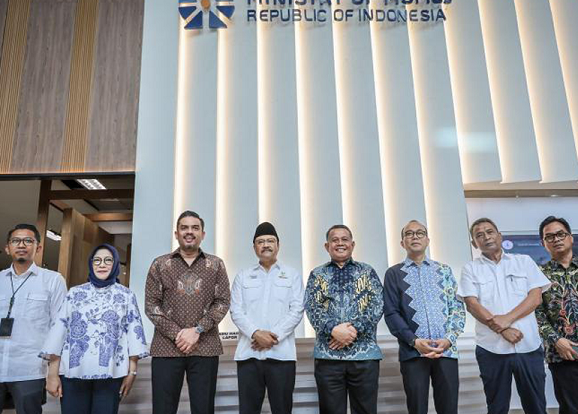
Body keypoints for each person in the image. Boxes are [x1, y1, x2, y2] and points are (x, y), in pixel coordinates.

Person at [39, 244, 148, 414]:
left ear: (115, 264)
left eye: (108, 260)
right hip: (73, 373)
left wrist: (132, 373)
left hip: (111, 374)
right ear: (91, 264)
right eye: (97, 260)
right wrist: (52, 374)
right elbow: (58, 334)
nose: (102, 264)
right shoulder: (74, 293)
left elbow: (134, 337)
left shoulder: (126, 295)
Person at [458, 217, 550, 414]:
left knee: (536, 407)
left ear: (500, 236)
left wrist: (506, 320)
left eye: (490, 232)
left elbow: (535, 298)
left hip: (528, 346)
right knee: (497, 408)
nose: (486, 237)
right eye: (479, 235)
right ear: (474, 243)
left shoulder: (524, 262)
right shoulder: (470, 269)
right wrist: (503, 330)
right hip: (491, 349)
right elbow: (472, 305)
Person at [145, 210, 231, 414]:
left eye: (195, 228)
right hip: (166, 348)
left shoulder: (216, 265)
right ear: (176, 234)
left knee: (203, 408)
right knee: (163, 409)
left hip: (205, 347)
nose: (189, 232)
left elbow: (223, 302)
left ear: (203, 234)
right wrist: (179, 334)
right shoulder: (160, 264)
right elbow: (151, 305)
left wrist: (197, 330)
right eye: (184, 228)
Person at [383, 220, 465, 414]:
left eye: (420, 233)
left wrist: (448, 340)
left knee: (449, 409)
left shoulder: (444, 270)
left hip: (446, 352)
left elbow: (457, 308)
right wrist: (414, 341)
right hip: (413, 353)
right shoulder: (394, 274)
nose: (415, 237)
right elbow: (391, 313)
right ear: (402, 243)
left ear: (427, 240)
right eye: (409, 234)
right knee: (417, 408)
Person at [304, 224, 384, 414]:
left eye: (344, 239)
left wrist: (352, 331)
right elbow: (312, 307)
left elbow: (377, 304)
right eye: (335, 240)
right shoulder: (317, 274)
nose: (340, 243)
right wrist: (333, 330)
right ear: (327, 246)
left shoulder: (367, 271)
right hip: (328, 357)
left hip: (365, 356)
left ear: (352, 244)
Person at [230, 222, 304, 414]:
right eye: (260, 241)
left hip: (282, 355)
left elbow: (297, 310)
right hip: (249, 355)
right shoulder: (243, 276)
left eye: (270, 241)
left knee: (282, 409)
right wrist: (256, 333)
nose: (266, 245)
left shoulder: (292, 275)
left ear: (278, 245)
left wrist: (271, 337)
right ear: (254, 247)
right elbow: (236, 311)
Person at [0, 224, 67, 414]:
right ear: (7, 248)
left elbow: (59, 329)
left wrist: (53, 373)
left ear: (38, 248)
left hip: (29, 370)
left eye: (28, 241)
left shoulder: (53, 280)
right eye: (15, 241)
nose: (21, 245)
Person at [535, 216, 578, 414]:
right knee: (571, 408)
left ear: (571, 237)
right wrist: (556, 340)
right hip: (562, 354)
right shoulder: (538, 275)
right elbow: (536, 313)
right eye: (550, 237)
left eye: (561, 234)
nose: (556, 239)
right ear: (543, 243)